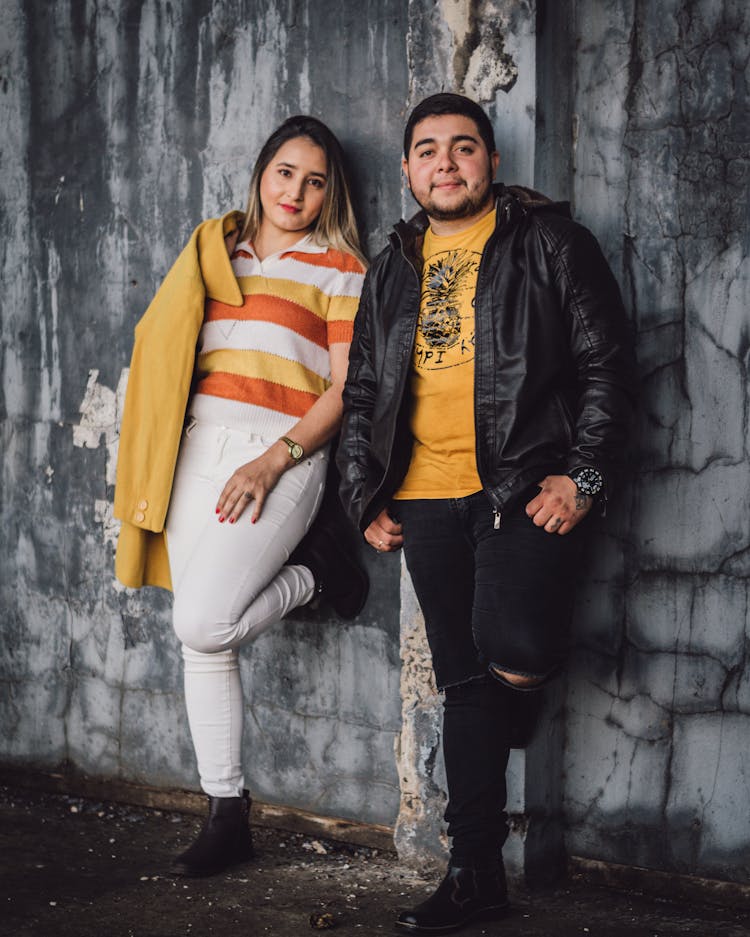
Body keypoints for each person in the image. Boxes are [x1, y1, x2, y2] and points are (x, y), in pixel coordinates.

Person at [337, 93, 635, 933]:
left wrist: (582, 475)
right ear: (407, 171)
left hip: (520, 485)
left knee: (516, 650)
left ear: (492, 162)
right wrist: (364, 493)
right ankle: (475, 873)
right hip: (423, 498)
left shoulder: (549, 242)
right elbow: (362, 391)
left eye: (463, 147)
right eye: (428, 150)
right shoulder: (392, 265)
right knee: (465, 683)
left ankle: (506, 706)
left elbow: (607, 364)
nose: (446, 162)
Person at [114, 115, 368, 877]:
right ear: (262, 173)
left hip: (283, 450)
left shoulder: (341, 268)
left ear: (331, 193)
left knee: (204, 617)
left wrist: (273, 458)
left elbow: (347, 387)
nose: (297, 191)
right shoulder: (212, 253)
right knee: (197, 639)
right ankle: (227, 813)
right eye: (285, 172)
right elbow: (166, 350)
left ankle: (322, 572)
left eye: (315, 179)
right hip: (194, 448)